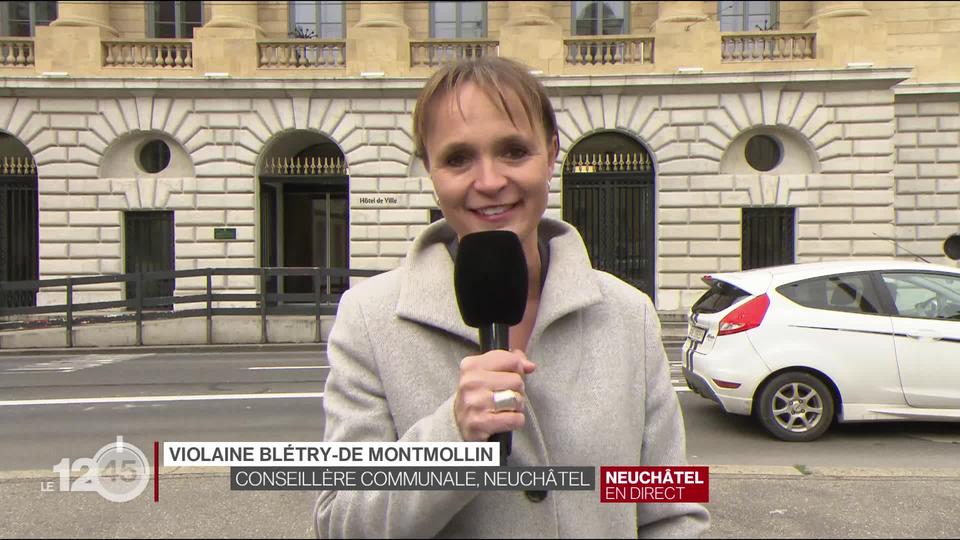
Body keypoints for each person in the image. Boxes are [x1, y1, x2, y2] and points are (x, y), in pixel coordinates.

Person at [315, 56, 710, 538]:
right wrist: (452, 438)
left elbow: (669, 513)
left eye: (514, 151)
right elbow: (340, 524)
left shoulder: (629, 316)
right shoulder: (370, 320)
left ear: (550, 153)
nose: (489, 182)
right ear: (431, 172)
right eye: (458, 158)